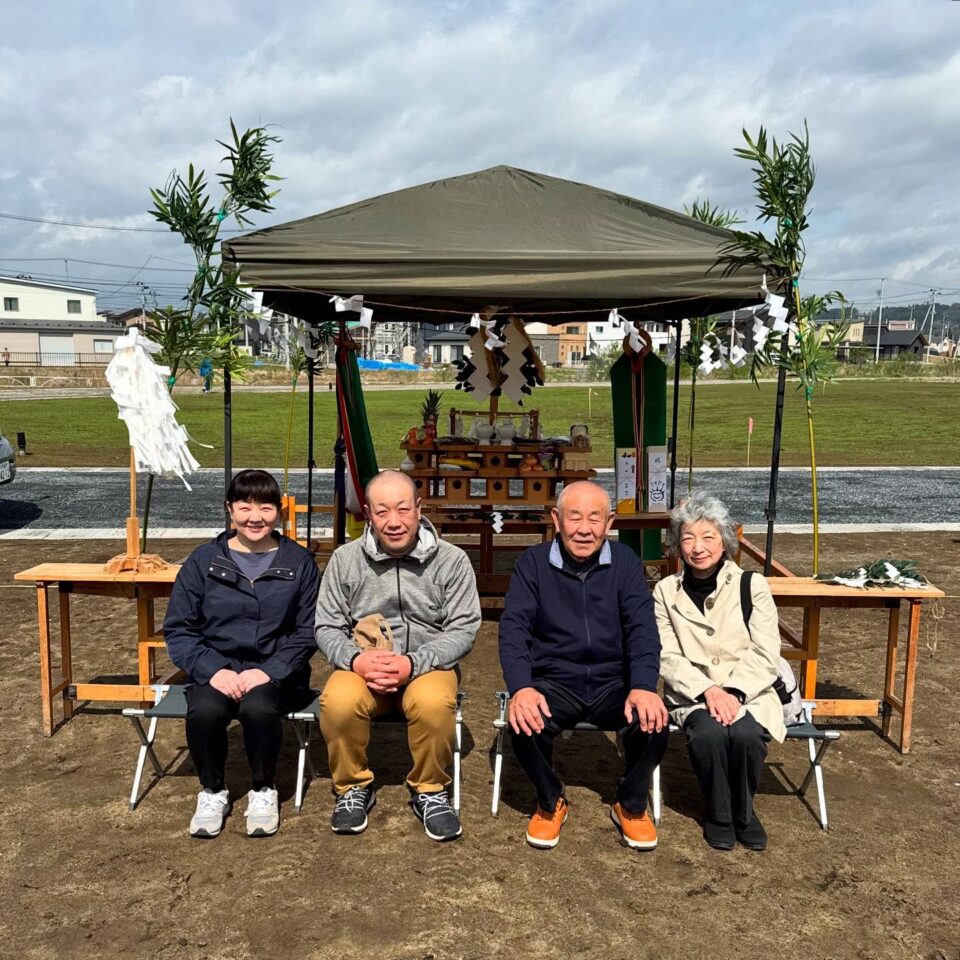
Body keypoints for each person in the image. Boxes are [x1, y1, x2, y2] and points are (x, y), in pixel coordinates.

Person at [498, 481, 669, 851]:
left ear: (609, 522)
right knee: (524, 722)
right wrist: (521, 687)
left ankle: (631, 802)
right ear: (556, 520)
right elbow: (513, 629)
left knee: (655, 722)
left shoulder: (625, 562)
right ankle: (550, 799)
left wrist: (642, 684)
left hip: (613, 681)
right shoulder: (533, 564)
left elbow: (643, 629)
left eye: (595, 518)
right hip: (555, 680)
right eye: (574, 517)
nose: (584, 528)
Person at [315, 470, 480, 841]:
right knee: (337, 700)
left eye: (403, 509)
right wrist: (355, 660)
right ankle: (352, 787)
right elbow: (326, 625)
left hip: (427, 664)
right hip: (364, 663)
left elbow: (464, 627)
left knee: (434, 702)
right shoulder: (345, 560)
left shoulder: (451, 561)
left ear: (419, 509)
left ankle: (430, 790)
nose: (394, 522)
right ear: (369, 515)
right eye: (382, 511)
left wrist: (413, 663)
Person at [164, 469, 319, 839]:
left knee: (258, 708)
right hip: (217, 667)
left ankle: (263, 789)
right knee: (205, 710)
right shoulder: (203, 561)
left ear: (278, 512)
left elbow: (308, 630)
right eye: (245, 506)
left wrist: (270, 670)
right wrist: (212, 669)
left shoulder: (299, 562)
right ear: (229, 510)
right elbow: (179, 629)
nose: (255, 516)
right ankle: (212, 790)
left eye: (266, 507)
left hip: (275, 672)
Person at [653, 491, 786, 851]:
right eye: (688, 538)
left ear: (724, 542)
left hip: (749, 691)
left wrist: (735, 692)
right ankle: (719, 812)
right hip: (693, 693)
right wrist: (708, 692)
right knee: (708, 733)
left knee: (745, 734)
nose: (698, 547)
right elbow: (666, 653)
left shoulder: (751, 585)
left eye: (708, 537)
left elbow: (766, 650)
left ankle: (745, 810)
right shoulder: (665, 591)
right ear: (678, 546)